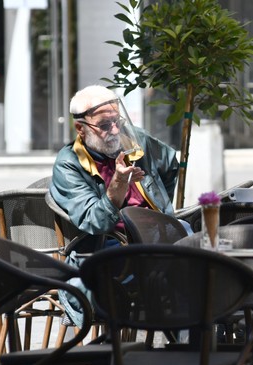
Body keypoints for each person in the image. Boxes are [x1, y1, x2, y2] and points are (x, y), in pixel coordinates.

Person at [50, 85, 183, 325]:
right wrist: (119, 183)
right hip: (110, 244)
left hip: (155, 234)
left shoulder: (136, 140)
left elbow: (170, 163)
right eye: (104, 125)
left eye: (117, 121)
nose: (114, 130)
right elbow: (95, 222)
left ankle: (198, 336)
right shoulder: (69, 163)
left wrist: (161, 207)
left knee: (199, 246)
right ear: (81, 128)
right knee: (182, 266)